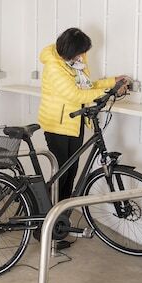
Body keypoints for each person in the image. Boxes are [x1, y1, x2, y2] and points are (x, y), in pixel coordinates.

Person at [38, 27, 130, 248]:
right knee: (60, 178)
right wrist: (110, 92)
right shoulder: (54, 66)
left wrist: (112, 81)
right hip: (57, 125)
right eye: (80, 52)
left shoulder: (76, 62)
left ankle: (58, 227)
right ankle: (44, 229)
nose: (83, 56)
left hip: (75, 122)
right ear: (70, 50)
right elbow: (75, 94)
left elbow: (87, 86)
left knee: (70, 175)